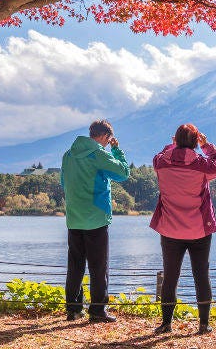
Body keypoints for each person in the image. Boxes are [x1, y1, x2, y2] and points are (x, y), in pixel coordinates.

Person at [149, 124, 216, 335]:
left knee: (170, 277)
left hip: (170, 230)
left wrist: (173, 144)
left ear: (175, 139)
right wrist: (206, 145)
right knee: (201, 275)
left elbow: (160, 154)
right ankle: (203, 324)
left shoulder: (161, 163)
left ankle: (166, 324)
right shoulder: (201, 165)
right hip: (199, 230)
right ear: (195, 142)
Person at [61, 119, 130, 323]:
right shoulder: (99, 153)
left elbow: (64, 182)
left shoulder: (68, 154)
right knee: (98, 267)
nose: (108, 143)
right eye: (108, 140)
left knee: (75, 266)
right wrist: (117, 151)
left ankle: (73, 309)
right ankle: (98, 310)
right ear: (104, 137)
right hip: (96, 218)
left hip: (74, 218)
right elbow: (123, 173)